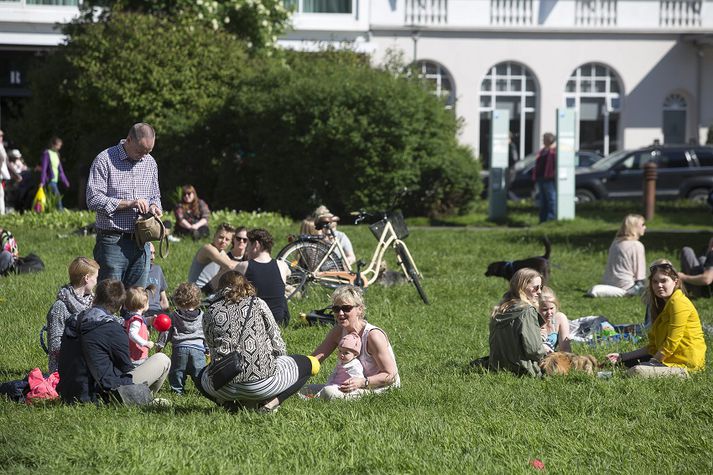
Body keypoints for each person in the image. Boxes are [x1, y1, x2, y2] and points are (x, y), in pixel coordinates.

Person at [199, 271, 315, 412]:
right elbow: (276, 339)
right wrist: (278, 362)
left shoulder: (209, 311)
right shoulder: (257, 303)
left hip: (224, 386)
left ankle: (229, 406)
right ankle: (270, 404)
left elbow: (212, 349)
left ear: (220, 288)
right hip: (264, 384)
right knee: (308, 364)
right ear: (245, 285)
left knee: (200, 375)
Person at [57, 279, 171, 404]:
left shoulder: (73, 321)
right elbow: (126, 368)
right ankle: (143, 400)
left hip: (68, 393)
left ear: (95, 298)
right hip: (102, 395)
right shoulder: (113, 329)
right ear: (120, 306)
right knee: (162, 359)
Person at [86, 123, 162, 289]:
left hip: (142, 242)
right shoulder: (105, 159)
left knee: (135, 302)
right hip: (113, 241)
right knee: (109, 299)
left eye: (148, 152)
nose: (143, 156)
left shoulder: (150, 162)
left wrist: (155, 206)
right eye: (140, 151)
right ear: (128, 140)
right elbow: (93, 199)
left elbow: (155, 194)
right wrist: (129, 204)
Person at [607, 262, 706, 377]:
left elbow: (671, 342)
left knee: (637, 371)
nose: (658, 285)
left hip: (684, 366)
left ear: (675, 282)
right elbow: (652, 347)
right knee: (618, 363)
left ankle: (611, 376)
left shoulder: (678, 302)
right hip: (667, 358)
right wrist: (622, 356)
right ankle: (607, 373)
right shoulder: (663, 304)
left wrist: (651, 364)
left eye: (663, 281)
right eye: (655, 282)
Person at [302, 285, 400, 400]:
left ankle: (320, 398)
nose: (340, 313)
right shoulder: (338, 331)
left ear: (360, 309)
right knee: (301, 390)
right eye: (336, 309)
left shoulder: (373, 335)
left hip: (380, 387)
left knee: (328, 392)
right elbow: (315, 359)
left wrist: (362, 382)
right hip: (349, 385)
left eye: (346, 308)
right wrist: (292, 374)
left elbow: (391, 375)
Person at [45, 257, 100, 373]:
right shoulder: (60, 307)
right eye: (95, 278)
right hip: (66, 369)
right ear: (87, 278)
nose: (96, 282)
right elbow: (54, 346)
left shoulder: (93, 302)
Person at [488, 268, 546, 377]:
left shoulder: (501, 308)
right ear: (522, 287)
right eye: (536, 288)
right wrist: (543, 343)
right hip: (523, 369)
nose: (539, 292)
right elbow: (534, 350)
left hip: (497, 365)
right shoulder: (527, 311)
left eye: (541, 287)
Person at [156, 282, 207, 395]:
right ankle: (203, 390)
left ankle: (177, 391)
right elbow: (206, 332)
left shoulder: (174, 316)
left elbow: (166, 331)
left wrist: (160, 345)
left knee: (177, 371)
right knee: (200, 372)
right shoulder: (202, 316)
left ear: (177, 300)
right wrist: (207, 348)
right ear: (198, 300)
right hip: (198, 349)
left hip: (180, 348)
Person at [234, 228, 291, 326]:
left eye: (248, 246)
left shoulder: (243, 266)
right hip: (279, 321)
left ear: (256, 244)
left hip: (253, 321)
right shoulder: (282, 265)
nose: (246, 250)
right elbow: (288, 274)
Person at [587, 214, 647, 297]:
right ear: (634, 227)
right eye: (642, 225)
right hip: (626, 284)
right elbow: (640, 275)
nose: (645, 227)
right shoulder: (637, 245)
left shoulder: (615, 242)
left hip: (608, 282)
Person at [308, 332, 365, 401]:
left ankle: (318, 398)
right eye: (340, 351)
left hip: (345, 390)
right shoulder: (341, 362)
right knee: (308, 388)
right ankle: (314, 396)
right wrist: (329, 383)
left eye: (346, 353)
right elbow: (334, 374)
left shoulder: (355, 365)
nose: (341, 355)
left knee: (328, 391)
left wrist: (350, 385)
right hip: (334, 385)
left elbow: (358, 378)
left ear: (355, 354)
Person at [188, 223, 236, 295]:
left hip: (208, 289)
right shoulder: (208, 249)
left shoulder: (222, 252)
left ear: (230, 242)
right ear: (214, 236)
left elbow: (234, 266)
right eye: (221, 237)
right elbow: (230, 266)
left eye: (227, 239)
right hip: (197, 291)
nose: (223, 241)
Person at [122, 287, 154, 367]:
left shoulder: (130, 317)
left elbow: (143, 321)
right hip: (137, 358)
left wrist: (151, 320)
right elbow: (132, 334)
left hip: (131, 355)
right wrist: (145, 343)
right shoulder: (136, 320)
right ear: (144, 305)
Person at [531, 132, 557, 223]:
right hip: (541, 178)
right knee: (543, 200)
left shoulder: (554, 151)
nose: (542, 140)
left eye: (544, 139)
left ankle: (551, 219)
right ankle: (542, 219)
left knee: (551, 199)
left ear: (549, 140)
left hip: (549, 179)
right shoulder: (543, 151)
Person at [40, 136, 70, 211]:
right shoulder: (47, 153)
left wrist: (65, 182)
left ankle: (53, 212)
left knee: (52, 198)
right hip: (49, 180)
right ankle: (60, 211)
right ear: (53, 145)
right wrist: (42, 182)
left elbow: (60, 170)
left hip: (55, 181)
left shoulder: (57, 155)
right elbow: (44, 169)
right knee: (57, 197)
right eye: (58, 145)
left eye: (60, 146)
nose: (59, 148)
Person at [538, 286, 571, 353]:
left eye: (551, 308)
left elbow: (565, 348)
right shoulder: (531, 321)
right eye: (544, 310)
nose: (549, 313)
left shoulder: (559, 318)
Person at [145, 242, 169, 316]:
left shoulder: (157, 269)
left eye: (154, 253)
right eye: (150, 253)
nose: (153, 257)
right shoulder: (135, 271)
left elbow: (163, 298)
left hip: (157, 311)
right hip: (142, 311)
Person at [0, 129, 10, 215]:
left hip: (1, 176)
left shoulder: (1, 146)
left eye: (2, 135)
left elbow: (6, 161)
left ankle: (2, 215)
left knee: (1, 195)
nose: (1, 137)